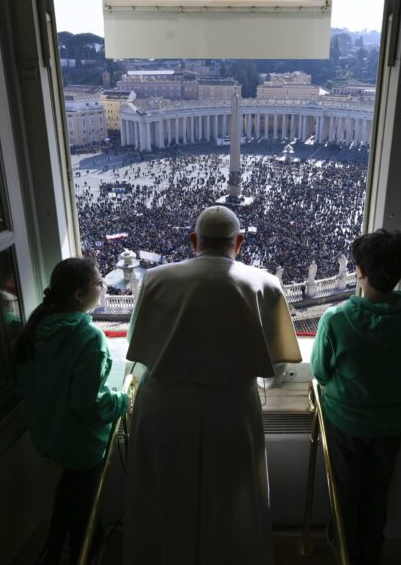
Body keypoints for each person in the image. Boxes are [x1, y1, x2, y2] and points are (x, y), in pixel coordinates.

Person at [123, 206, 301, 565]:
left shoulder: (156, 278)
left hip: (162, 409)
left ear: (193, 241)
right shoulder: (263, 282)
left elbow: (138, 347)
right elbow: (278, 363)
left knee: (163, 499)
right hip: (230, 409)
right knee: (231, 507)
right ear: (239, 242)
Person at [311, 229, 401, 565]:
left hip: (344, 421)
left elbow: (319, 371)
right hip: (391, 422)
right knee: (377, 492)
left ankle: (344, 553)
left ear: (359, 270)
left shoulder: (336, 319)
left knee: (345, 491)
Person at [12, 258, 129, 565]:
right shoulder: (88, 337)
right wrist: (123, 400)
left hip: (48, 434)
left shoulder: (37, 327)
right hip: (81, 443)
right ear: (79, 294)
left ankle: (53, 550)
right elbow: (89, 404)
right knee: (87, 518)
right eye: (99, 282)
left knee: (68, 495)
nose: (104, 287)